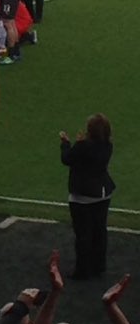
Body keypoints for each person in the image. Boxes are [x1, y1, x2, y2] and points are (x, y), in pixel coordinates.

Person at [60, 114, 115, 279]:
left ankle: (83, 270)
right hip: (103, 193)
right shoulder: (107, 145)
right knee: (99, 231)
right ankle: (99, 265)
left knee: (83, 233)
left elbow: (67, 159)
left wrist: (66, 143)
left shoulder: (83, 146)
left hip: (83, 196)